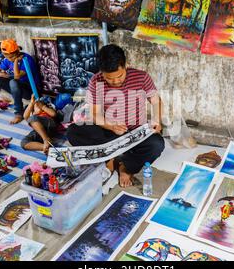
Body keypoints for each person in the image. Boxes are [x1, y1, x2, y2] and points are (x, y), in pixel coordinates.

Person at [66, 44, 165, 188]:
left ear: (125, 65)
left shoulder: (141, 77)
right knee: (73, 132)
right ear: (102, 72)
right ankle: (109, 158)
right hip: (110, 131)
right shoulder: (96, 81)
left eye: (119, 76)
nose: (116, 81)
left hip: (135, 132)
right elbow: (94, 113)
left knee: (157, 144)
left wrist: (156, 119)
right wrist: (110, 125)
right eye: (109, 79)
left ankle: (126, 167)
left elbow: (156, 101)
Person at [0, 39, 39, 124]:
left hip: (30, 91)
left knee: (13, 81)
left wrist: (15, 61)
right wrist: (3, 74)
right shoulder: (8, 59)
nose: (9, 59)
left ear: (17, 52)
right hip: (16, 89)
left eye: (11, 57)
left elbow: (17, 76)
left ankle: (19, 114)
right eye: (6, 57)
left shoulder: (27, 59)